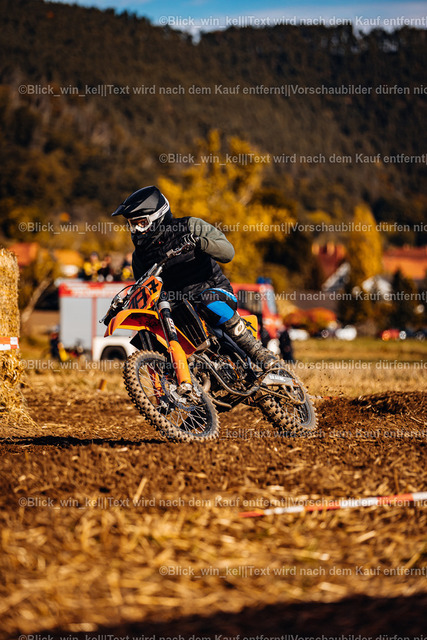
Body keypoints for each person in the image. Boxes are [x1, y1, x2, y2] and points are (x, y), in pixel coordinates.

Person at [111, 185, 277, 370]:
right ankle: (170, 383)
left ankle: (259, 353)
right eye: (132, 224)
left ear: (157, 217)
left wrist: (200, 242)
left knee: (208, 301)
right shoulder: (139, 256)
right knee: (149, 331)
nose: (136, 230)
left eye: (142, 223)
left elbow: (228, 252)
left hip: (214, 293)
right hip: (176, 308)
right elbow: (144, 287)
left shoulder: (190, 226)